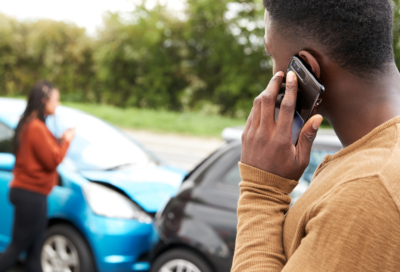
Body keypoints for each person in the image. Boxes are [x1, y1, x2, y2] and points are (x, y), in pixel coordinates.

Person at [232, 1, 400, 272]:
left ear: (306, 67)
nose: (273, 70)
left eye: (271, 54)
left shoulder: (371, 187)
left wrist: (261, 190)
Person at [0, 81, 75, 272]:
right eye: (55, 100)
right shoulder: (35, 127)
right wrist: (66, 141)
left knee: (35, 249)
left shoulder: (31, 124)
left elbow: (41, 151)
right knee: (17, 247)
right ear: (44, 100)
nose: (57, 105)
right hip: (30, 194)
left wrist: (58, 140)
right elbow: (52, 160)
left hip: (32, 193)